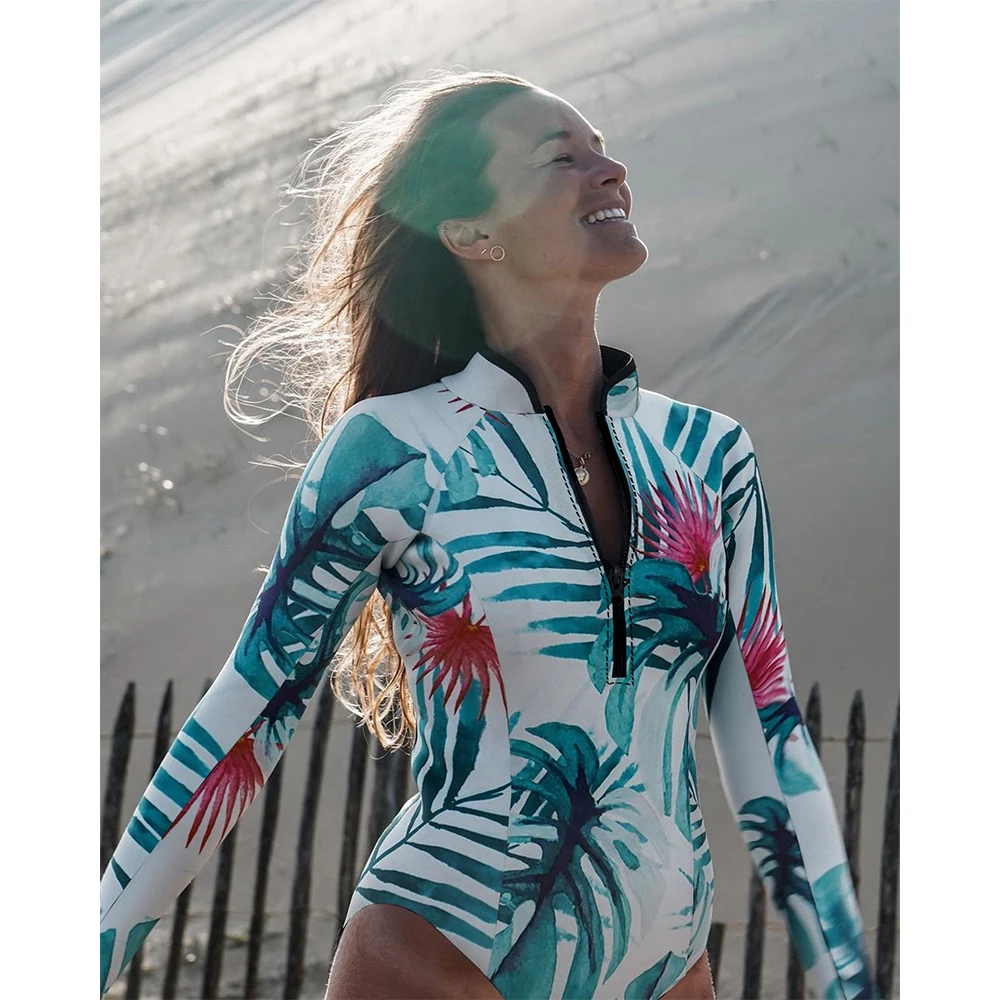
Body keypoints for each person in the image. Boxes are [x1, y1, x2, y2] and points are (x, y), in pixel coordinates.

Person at [100, 69, 877, 1000]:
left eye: (603, 149)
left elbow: (771, 741)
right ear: (470, 233)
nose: (610, 170)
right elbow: (242, 723)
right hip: (443, 964)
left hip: (667, 973)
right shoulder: (395, 449)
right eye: (561, 158)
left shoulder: (710, 456)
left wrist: (847, 979)